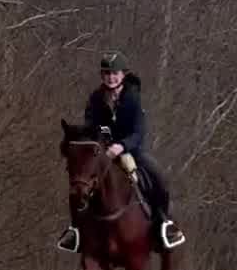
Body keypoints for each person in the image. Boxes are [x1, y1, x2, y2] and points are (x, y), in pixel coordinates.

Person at [57, 53, 183, 253]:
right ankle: (76, 231)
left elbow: (139, 131)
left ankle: (164, 224)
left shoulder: (133, 98)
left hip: (132, 150)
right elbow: (91, 128)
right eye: (106, 73)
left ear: (123, 74)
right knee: (78, 184)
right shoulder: (95, 99)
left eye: (114, 73)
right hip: (103, 152)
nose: (110, 77)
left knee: (159, 177)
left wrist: (122, 146)